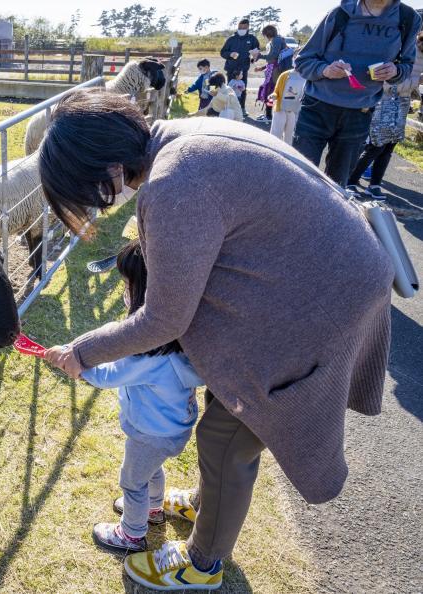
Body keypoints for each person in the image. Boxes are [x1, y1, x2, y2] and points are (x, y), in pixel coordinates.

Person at [38, 89, 392, 591]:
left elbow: (165, 318)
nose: (95, 204)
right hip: (324, 275)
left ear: (106, 166)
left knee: (227, 437)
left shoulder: (174, 183)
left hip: (324, 298)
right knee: (224, 405)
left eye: (85, 188)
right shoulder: (182, 138)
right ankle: (207, 504)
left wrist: (82, 351)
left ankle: (202, 563)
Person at [76, 240, 203, 555]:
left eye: (127, 285)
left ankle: (131, 535)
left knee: (133, 481)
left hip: (149, 432)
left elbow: (108, 375)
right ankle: (153, 509)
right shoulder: (177, 340)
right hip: (174, 428)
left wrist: (80, 368)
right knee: (151, 469)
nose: (124, 291)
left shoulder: (146, 354)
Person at [293, 0, 422, 187]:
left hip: (360, 114)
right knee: (299, 179)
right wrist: (325, 70)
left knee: (337, 186)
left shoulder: (408, 19)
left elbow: (406, 66)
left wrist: (395, 71)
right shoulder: (339, 14)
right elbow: (303, 61)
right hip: (316, 109)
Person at [347, 29, 423, 199]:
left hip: (402, 102)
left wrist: (415, 84)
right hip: (385, 101)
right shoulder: (404, 49)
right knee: (376, 145)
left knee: (390, 146)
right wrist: (416, 82)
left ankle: (374, 185)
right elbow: (387, 83)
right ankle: (350, 180)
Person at [220, 18, 260, 115]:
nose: (242, 29)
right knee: (230, 88)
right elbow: (222, 52)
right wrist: (230, 54)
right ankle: (229, 107)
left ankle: (242, 108)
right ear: (238, 27)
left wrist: (254, 58)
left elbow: (256, 52)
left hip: (243, 69)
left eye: (244, 27)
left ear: (248, 27)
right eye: (240, 27)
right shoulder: (231, 39)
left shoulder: (252, 39)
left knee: (242, 88)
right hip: (231, 68)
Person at [254, 24, 290, 121]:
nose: (264, 37)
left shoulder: (276, 40)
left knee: (270, 90)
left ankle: (269, 115)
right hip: (273, 69)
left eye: (264, 34)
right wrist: (262, 67)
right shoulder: (276, 40)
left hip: (275, 70)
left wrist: (260, 56)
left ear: (267, 33)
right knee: (271, 90)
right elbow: (274, 59)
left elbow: (274, 56)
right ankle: (269, 114)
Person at [269, 68, 306, 144]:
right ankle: (273, 150)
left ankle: (287, 153)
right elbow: (276, 91)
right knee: (276, 133)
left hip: (294, 111)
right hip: (281, 109)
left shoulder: (306, 76)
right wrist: (274, 96)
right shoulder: (285, 75)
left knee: (289, 136)